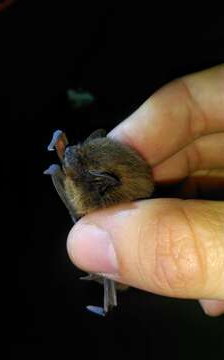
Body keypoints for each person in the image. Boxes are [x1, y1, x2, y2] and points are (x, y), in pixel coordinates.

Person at [66, 64, 224, 317]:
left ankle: (109, 275)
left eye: (81, 162)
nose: (72, 155)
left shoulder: (98, 195)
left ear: (102, 183)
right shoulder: (100, 182)